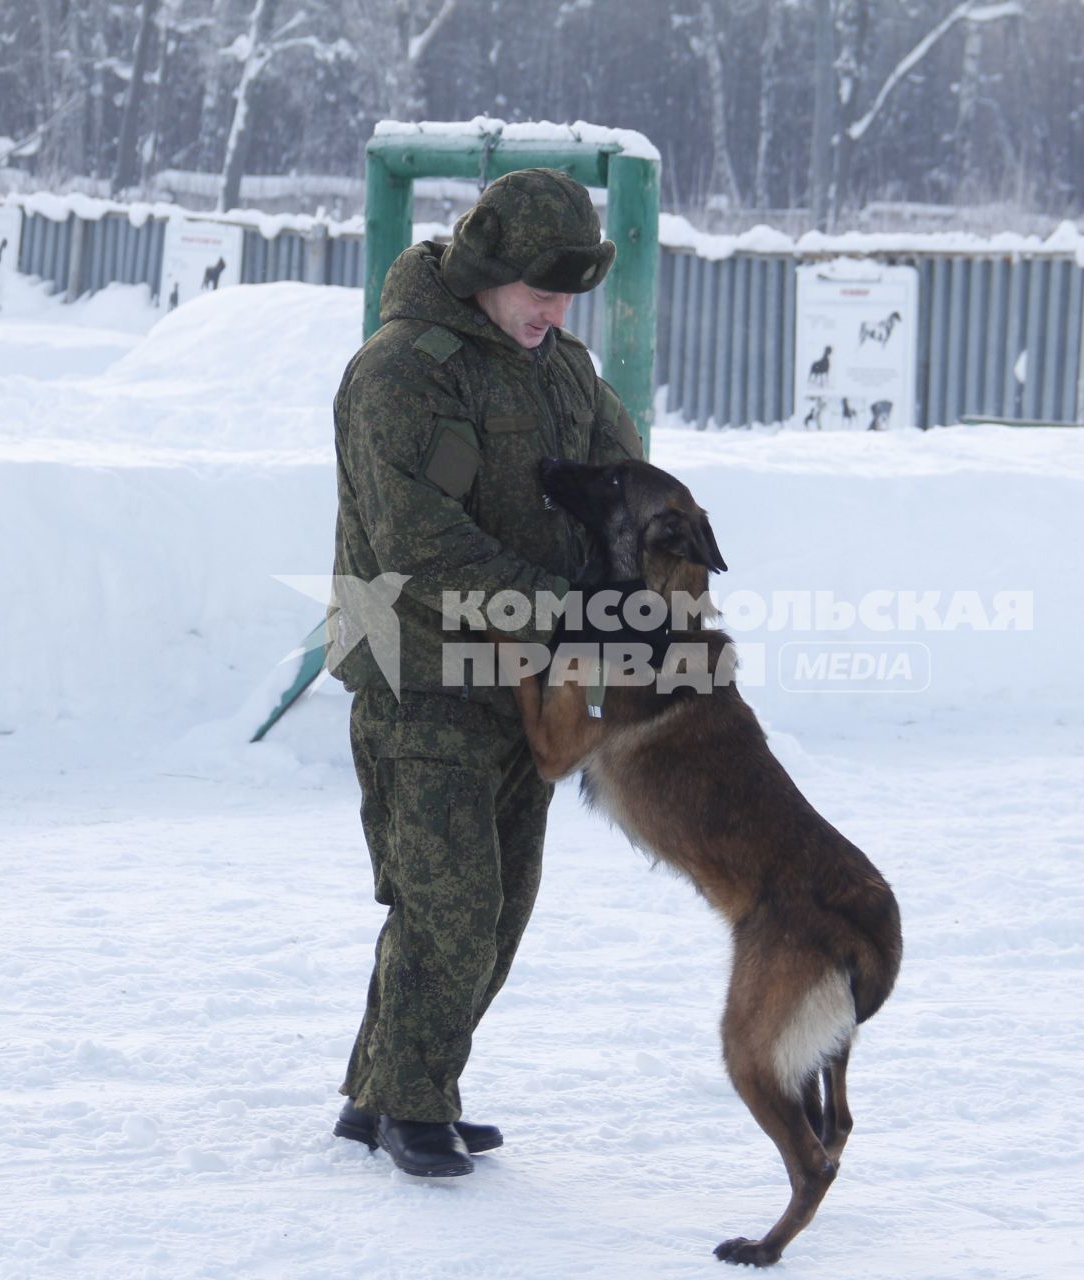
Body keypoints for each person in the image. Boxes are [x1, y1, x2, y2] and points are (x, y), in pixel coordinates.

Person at [327, 167, 643, 1178]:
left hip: (525, 682)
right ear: (485, 270)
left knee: (498, 904)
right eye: (537, 289)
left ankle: (387, 1089)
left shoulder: (562, 369)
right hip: (418, 670)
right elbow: (415, 541)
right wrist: (568, 610)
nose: (552, 311)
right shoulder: (399, 371)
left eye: (568, 293)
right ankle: (412, 1102)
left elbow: (623, 481)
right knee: (448, 900)